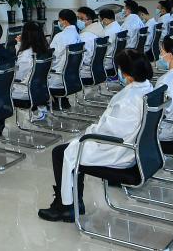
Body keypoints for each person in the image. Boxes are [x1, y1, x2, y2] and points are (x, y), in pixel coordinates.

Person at [37, 49, 154, 222]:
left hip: (119, 152)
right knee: (72, 148)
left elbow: (108, 132)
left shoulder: (127, 101)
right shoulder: (148, 88)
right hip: (137, 150)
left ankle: (66, 207)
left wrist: (89, 132)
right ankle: (75, 202)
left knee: (61, 153)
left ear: (128, 74)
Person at [13, 21, 51, 121]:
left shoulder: (26, 55)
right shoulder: (45, 50)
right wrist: (20, 45)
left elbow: (17, 76)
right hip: (40, 90)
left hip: (26, 92)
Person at [49, 9, 81, 109]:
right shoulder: (77, 35)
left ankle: (50, 104)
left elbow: (51, 57)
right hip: (73, 77)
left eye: (60, 20)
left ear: (65, 21)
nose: (59, 23)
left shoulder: (59, 36)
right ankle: (62, 101)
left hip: (59, 78)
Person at [100, 8, 122, 81]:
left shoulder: (107, 32)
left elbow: (100, 50)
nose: (101, 22)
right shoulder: (118, 26)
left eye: (101, 20)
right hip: (116, 61)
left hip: (108, 62)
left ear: (105, 20)